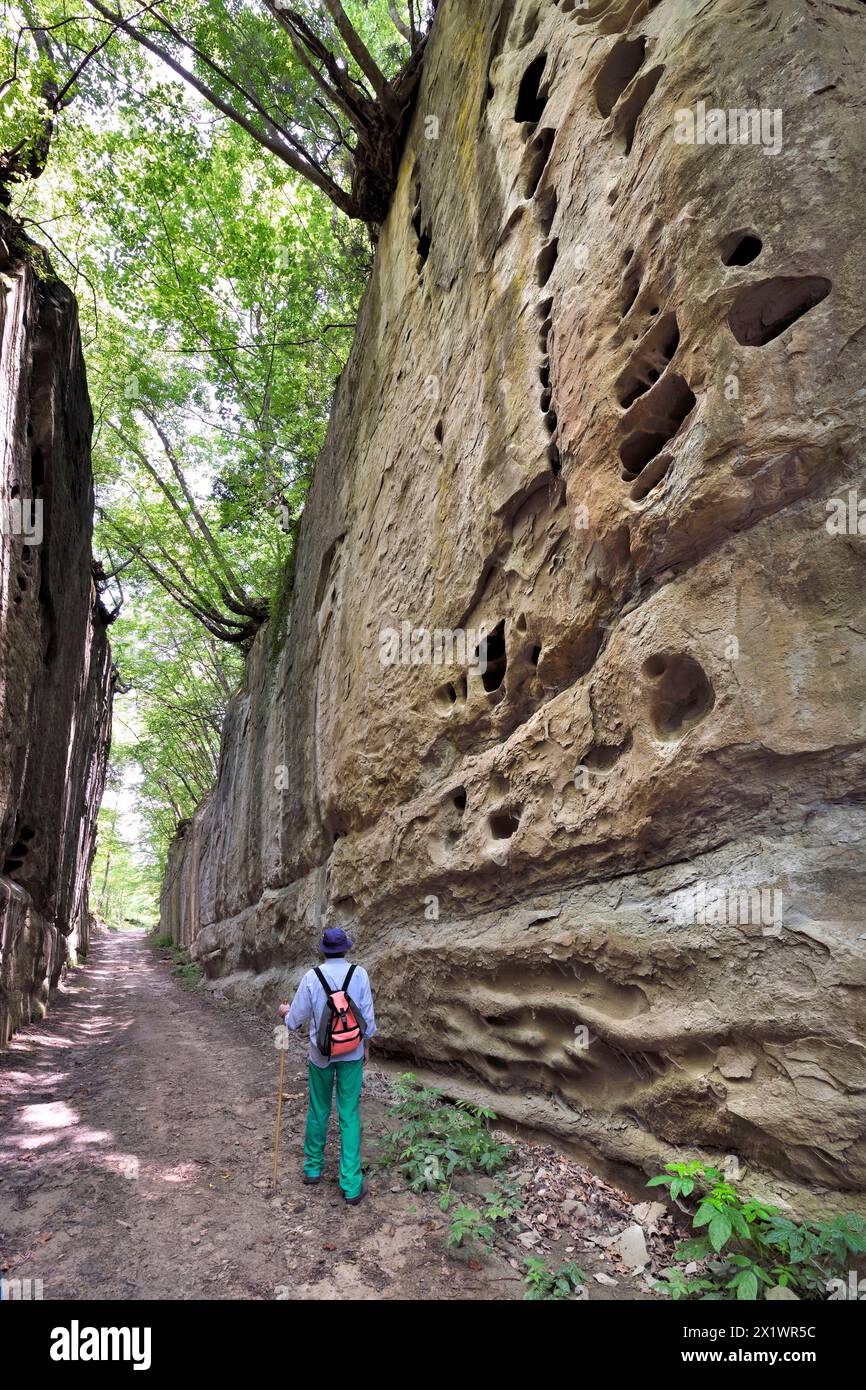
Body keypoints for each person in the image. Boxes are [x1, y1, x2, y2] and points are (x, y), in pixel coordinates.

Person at [278, 927, 376, 1205]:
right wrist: (365, 1046)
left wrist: (284, 1013)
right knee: (349, 1114)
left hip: (320, 1056)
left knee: (319, 1109)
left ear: (323, 949)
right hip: (352, 1055)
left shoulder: (312, 977)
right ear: (346, 948)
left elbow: (294, 1020)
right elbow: (367, 1017)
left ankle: (312, 1168)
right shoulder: (360, 974)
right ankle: (351, 1184)